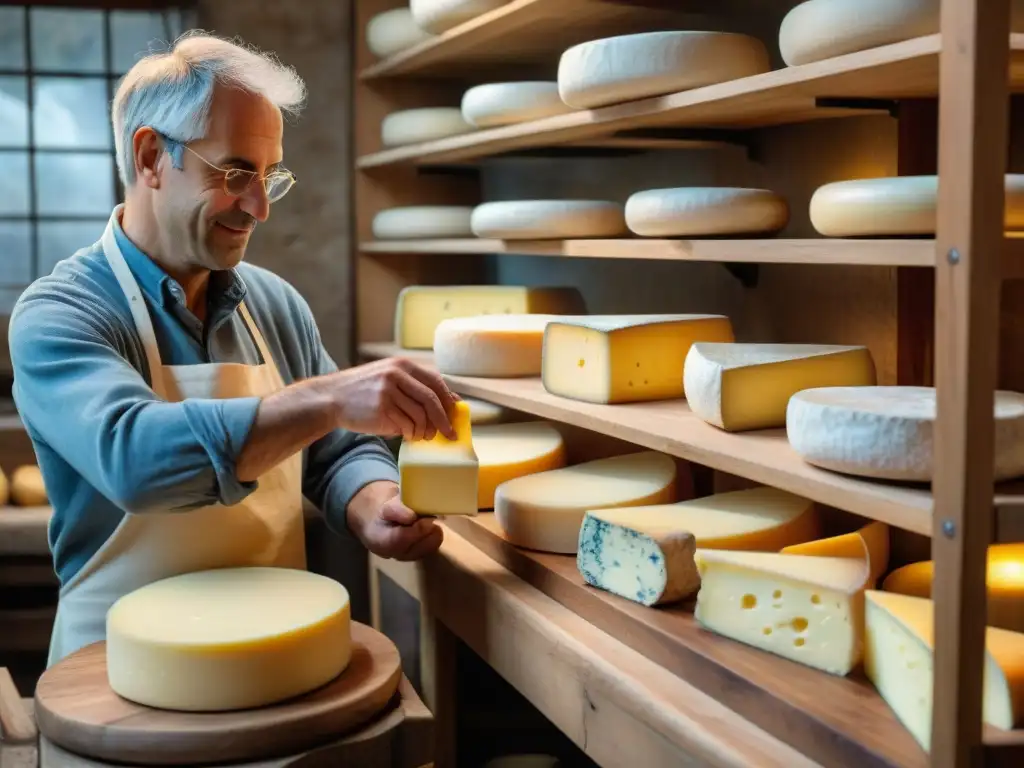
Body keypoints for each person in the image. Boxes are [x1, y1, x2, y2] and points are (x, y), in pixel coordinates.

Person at [7, 31, 456, 667]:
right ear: (150, 158)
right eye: (237, 172)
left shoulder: (272, 303)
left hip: (272, 658)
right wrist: (329, 396)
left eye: (271, 175)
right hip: (118, 679)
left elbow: (337, 452)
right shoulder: (62, 313)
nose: (259, 206)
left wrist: (375, 504)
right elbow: (134, 458)